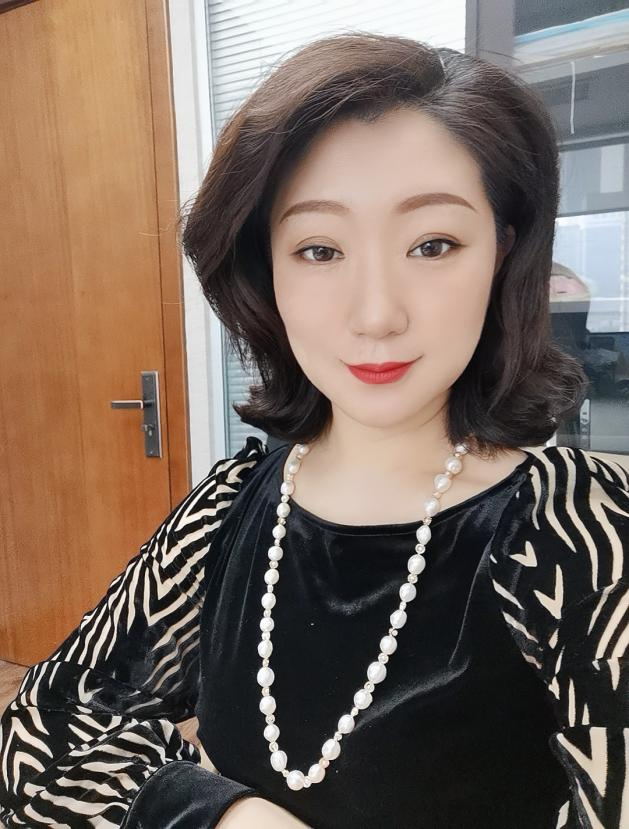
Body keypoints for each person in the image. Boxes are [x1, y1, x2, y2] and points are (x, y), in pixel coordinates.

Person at [1, 31, 627, 829]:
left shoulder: (581, 535)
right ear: (266, 270)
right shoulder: (229, 506)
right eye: (319, 249)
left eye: (432, 244)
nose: (376, 314)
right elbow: (44, 727)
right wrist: (224, 815)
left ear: (501, 253)